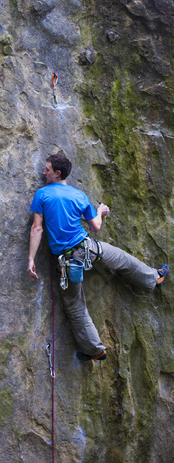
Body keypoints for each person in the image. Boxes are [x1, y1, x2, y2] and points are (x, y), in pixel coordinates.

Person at [27, 152, 170, 361]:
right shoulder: (79, 195)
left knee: (75, 306)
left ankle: (95, 350)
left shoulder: (42, 195)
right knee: (122, 259)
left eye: (47, 169)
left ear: (57, 173)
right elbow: (95, 227)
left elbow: (36, 229)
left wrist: (31, 259)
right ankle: (152, 278)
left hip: (67, 262)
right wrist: (100, 210)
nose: (43, 172)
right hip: (89, 248)